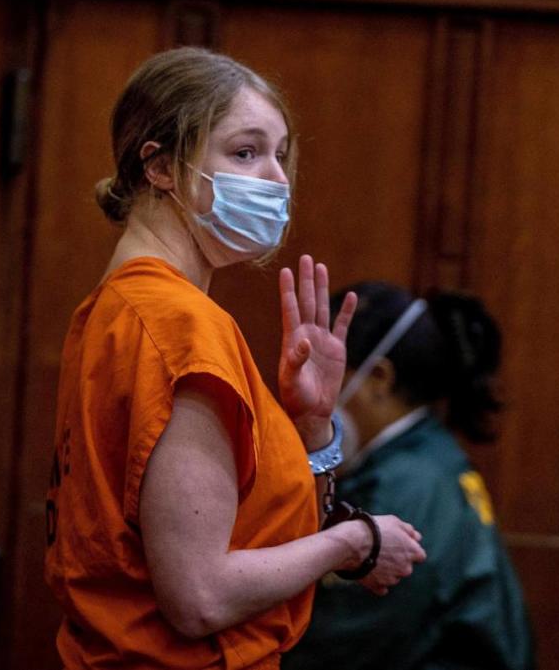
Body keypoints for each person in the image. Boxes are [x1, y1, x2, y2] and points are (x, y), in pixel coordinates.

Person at [43, 47, 426, 670]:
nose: (277, 177)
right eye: (246, 152)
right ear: (162, 167)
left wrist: (310, 429)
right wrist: (355, 542)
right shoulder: (180, 323)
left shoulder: (114, 306)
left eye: (280, 153)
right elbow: (199, 596)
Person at [283, 282, 536, 670]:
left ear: (380, 378)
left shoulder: (404, 485)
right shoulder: (427, 456)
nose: (307, 393)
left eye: (325, 374)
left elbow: (335, 642)